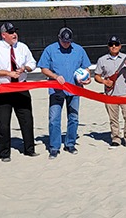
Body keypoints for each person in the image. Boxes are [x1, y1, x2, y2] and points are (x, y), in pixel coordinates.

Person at [0, 22, 38, 161]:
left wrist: (24, 68)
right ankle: (4, 153)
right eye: (11, 32)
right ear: (3, 35)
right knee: (3, 122)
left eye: (15, 31)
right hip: (3, 88)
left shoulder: (22, 47)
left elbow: (33, 63)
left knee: (26, 119)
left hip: (21, 86)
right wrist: (8, 73)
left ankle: (29, 149)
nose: (14, 34)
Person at [38, 27, 92, 159]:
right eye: (64, 41)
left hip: (74, 89)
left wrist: (87, 78)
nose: (66, 44)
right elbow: (43, 68)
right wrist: (55, 76)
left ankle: (70, 143)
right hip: (56, 90)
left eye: (68, 42)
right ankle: (54, 147)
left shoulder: (79, 50)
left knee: (73, 118)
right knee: (54, 118)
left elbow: (86, 68)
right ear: (59, 38)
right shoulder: (50, 50)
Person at [94, 35, 126, 148]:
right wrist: (104, 82)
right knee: (113, 119)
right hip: (110, 94)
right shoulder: (102, 60)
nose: (114, 46)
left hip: (125, 92)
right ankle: (116, 139)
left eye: (116, 44)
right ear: (108, 46)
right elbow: (97, 76)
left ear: (120, 46)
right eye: (111, 44)